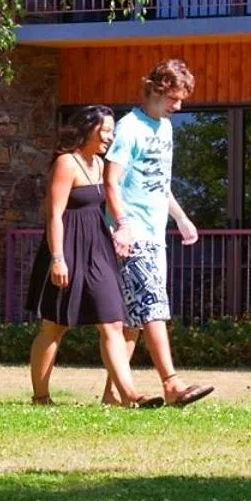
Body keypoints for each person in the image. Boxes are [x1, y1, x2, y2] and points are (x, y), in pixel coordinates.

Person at [26, 105, 160, 408]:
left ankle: (127, 394)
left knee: (113, 321)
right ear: (88, 129)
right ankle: (41, 396)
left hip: (98, 248)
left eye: (112, 131)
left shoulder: (100, 164)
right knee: (54, 325)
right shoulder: (66, 163)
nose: (110, 137)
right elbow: (54, 216)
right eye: (105, 131)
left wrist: (119, 231)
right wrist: (58, 258)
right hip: (67, 247)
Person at [103, 59, 214, 408]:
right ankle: (172, 383)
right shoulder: (128, 128)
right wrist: (122, 225)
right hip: (131, 233)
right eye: (174, 99)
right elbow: (111, 181)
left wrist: (181, 219)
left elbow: (159, 184)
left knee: (134, 319)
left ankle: (114, 396)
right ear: (154, 89)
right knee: (152, 306)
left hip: (155, 233)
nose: (178, 107)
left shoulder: (164, 128)